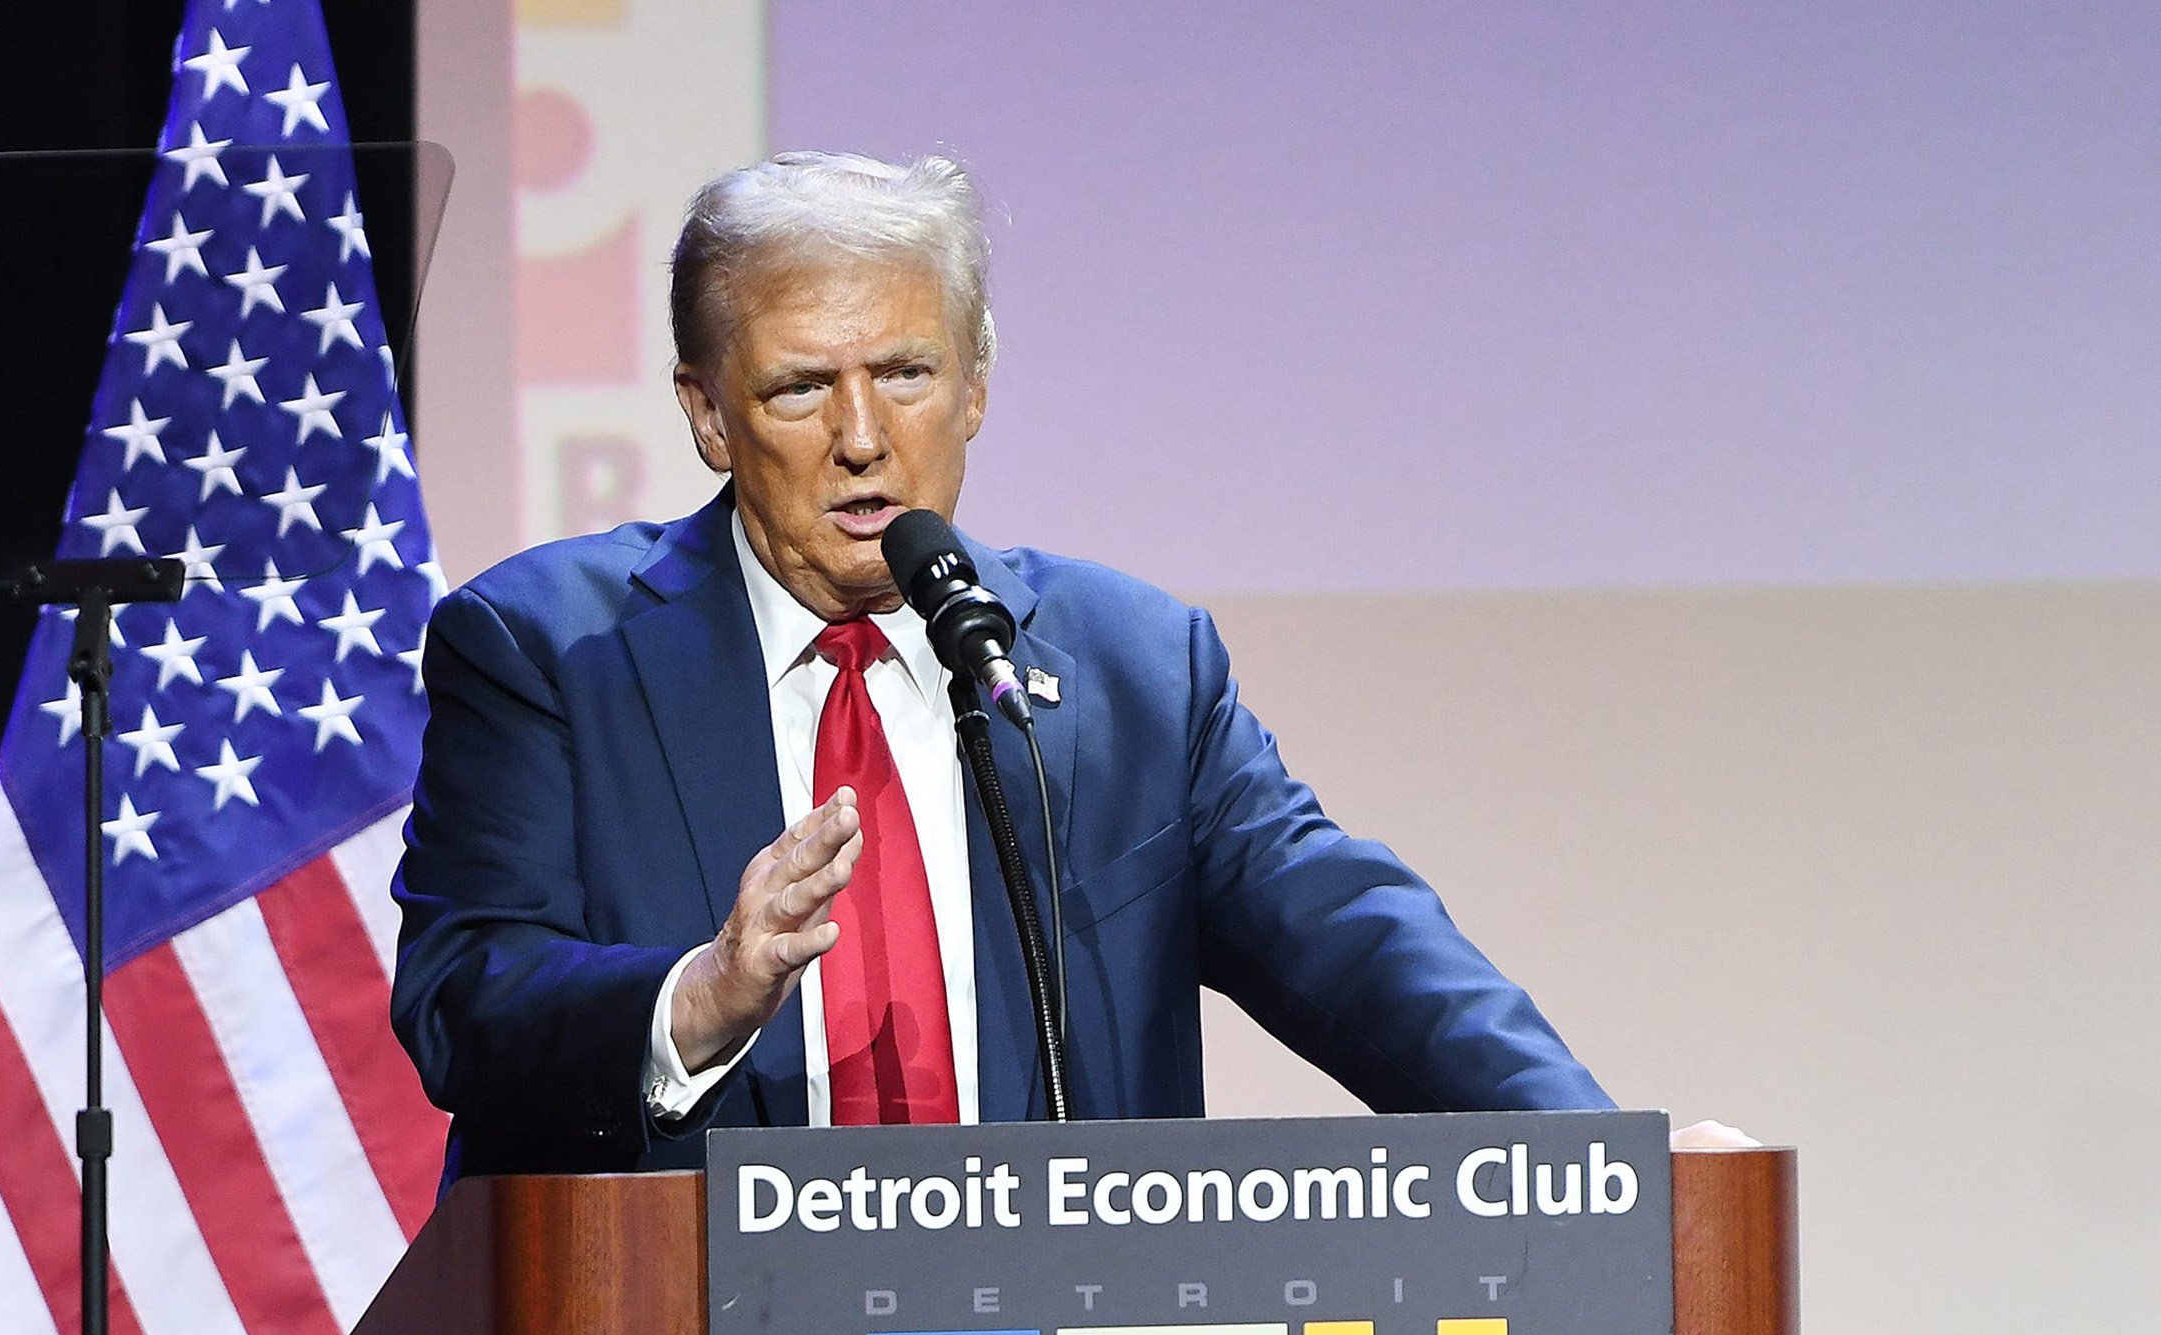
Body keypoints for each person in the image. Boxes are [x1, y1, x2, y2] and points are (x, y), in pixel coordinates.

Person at [393, 153, 1609, 1179]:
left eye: (907, 374)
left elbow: (1353, 940)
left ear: (975, 383)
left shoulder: (1135, 669)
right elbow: (466, 991)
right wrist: (698, 996)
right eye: (802, 387)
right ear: (708, 414)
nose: (862, 438)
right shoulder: (549, 649)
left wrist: (1600, 1156)